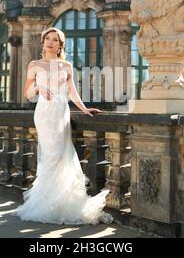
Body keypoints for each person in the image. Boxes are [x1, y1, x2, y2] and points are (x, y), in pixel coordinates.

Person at [12, 27, 113, 225]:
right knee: (51, 154)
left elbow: (72, 92)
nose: (50, 42)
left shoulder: (66, 66)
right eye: (47, 38)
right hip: (44, 113)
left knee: (61, 154)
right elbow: (27, 93)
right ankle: (47, 203)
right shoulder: (34, 64)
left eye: (55, 40)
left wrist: (84, 109)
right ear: (43, 42)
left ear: (60, 45)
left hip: (60, 112)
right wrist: (39, 87)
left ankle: (62, 202)